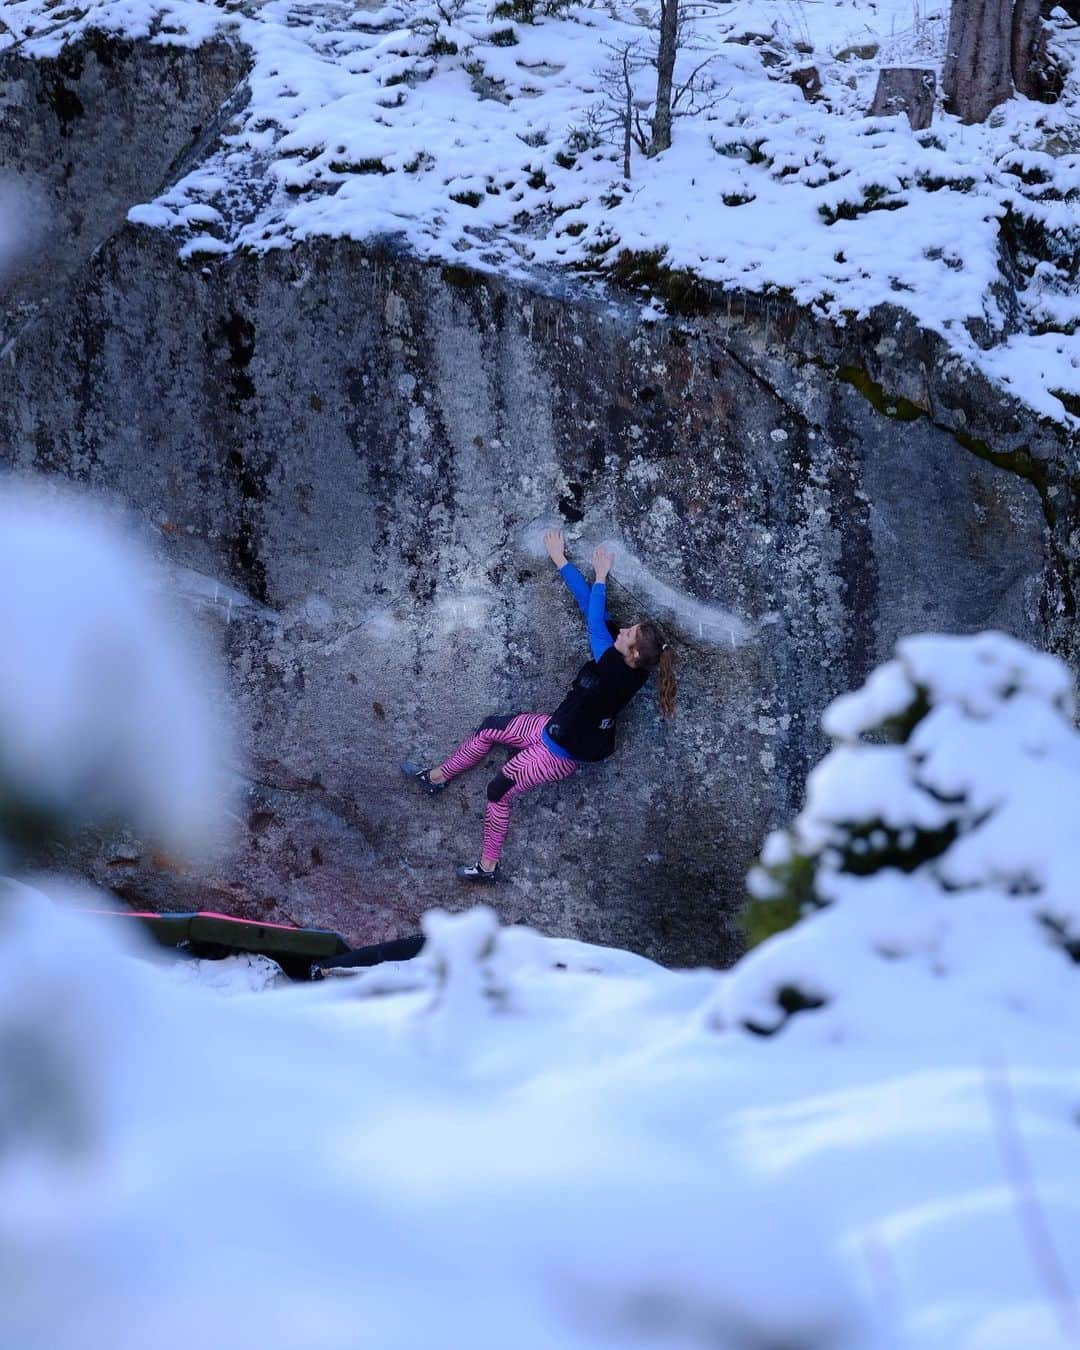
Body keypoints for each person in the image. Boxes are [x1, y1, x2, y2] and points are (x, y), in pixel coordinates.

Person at [403, 529, 677, 882]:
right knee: (489, 727)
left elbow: (595, 619)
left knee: (497, 791)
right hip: (555, 727)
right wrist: (561, 561)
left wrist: (602, 576)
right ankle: (437, 778)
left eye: (628, 633)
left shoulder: (615, 669)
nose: (622, 630)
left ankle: (487, 868)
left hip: (559, 753)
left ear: (634, 653)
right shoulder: (627, 663)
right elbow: (588, 607)